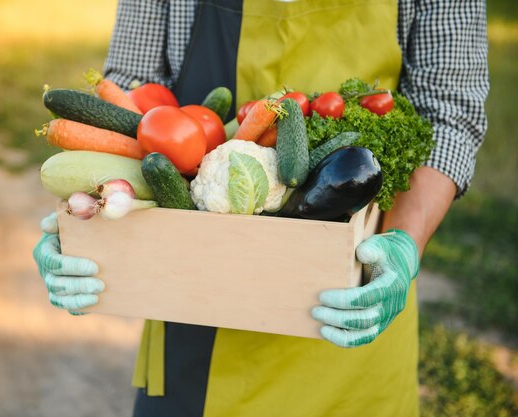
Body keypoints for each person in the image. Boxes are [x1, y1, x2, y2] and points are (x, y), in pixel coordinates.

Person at [33, 1, 489, 416]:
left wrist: (404, 242)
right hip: (192, 313)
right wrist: (91, 214)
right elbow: (130, 87)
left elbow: (447, 113)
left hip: (348, 326)